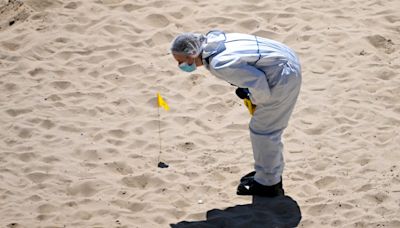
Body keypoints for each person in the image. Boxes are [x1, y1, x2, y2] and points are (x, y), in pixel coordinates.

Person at [170, 30, 301, 197]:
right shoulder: (217, 41)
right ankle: (268, 174)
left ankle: (269, 184)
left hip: (283, 75)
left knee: (264, 131)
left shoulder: (219, 63)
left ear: (192, 55)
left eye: (181, 61)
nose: (181, 65)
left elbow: (260, 86)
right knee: (265, 128)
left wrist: (252, 97)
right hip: (284, 57)